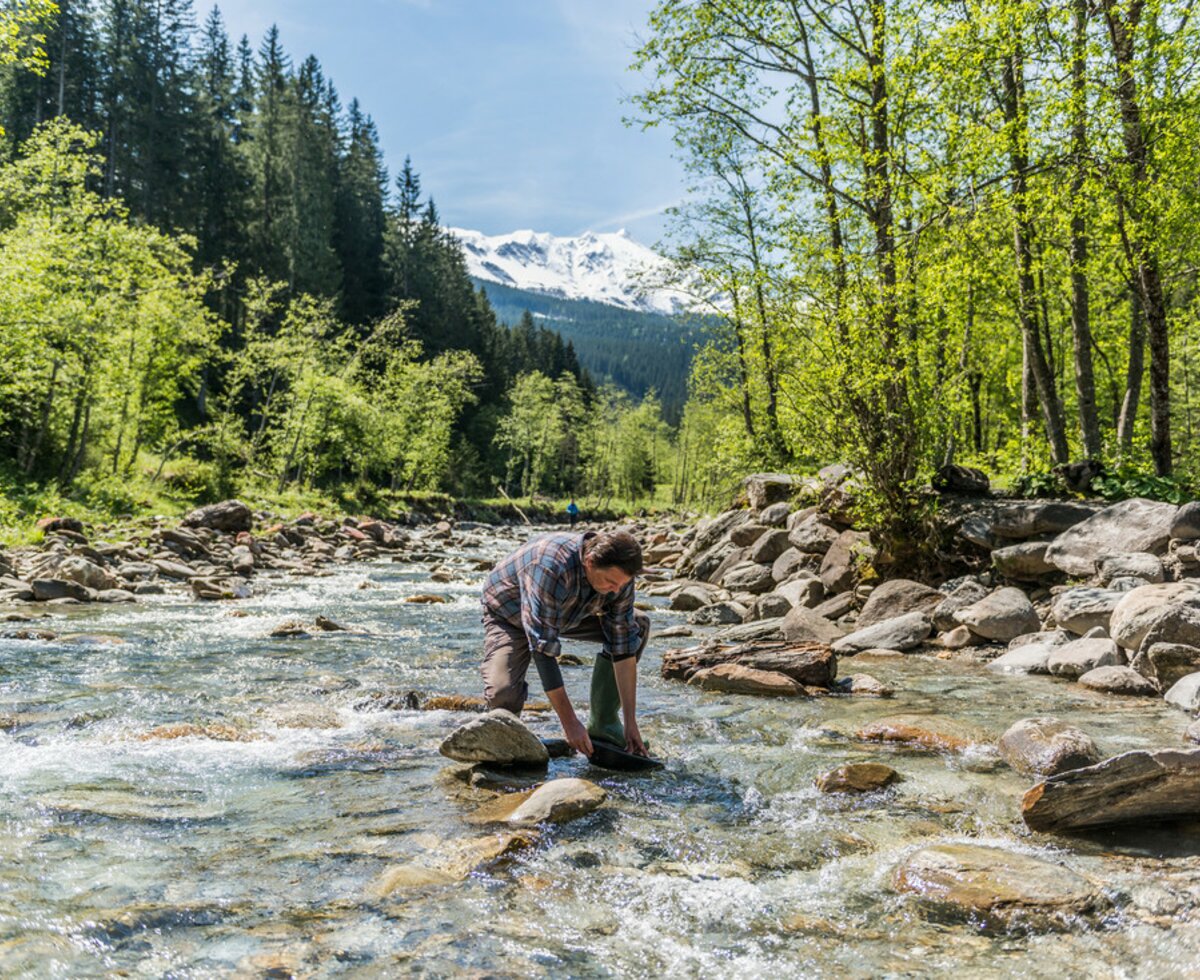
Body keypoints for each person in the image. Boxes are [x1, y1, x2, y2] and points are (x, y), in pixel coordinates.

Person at [481, 529, 648, 757]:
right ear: (589, 562)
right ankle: (506, 745)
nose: (617, 590)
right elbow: (543, 650)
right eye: (611, 583)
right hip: (510, 614)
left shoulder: (618, 578)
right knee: (503, 695)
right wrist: (570, 723)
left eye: (621, 584)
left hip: (569, 612)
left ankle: (604, 722)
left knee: (637, 624)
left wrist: (631, 722)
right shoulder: (550, 567)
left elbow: (623, 644)